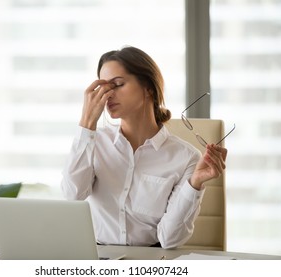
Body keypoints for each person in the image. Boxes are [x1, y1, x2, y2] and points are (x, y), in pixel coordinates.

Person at [61, 46, 227, 249]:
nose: (108, 96)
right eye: (104, 88)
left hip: (151, 260)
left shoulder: (186, 158)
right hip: (97, 257)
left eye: (118, 84)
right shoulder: (93, 142)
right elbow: (73, 195)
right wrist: (86, 124)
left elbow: (169, 239)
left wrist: (194, 184)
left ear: (148, 87)